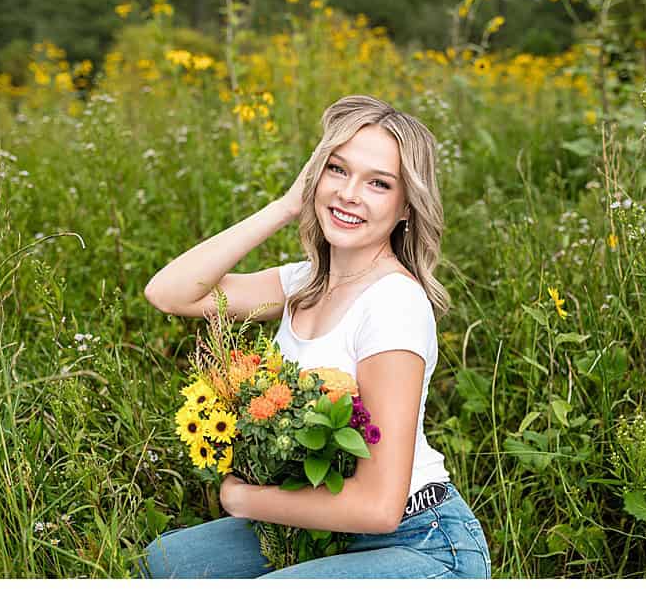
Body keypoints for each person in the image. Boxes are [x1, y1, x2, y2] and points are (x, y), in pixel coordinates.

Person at [139, 95, 490, 578]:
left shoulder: (393, 304)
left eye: (379, 183)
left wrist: (245, 498)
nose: (349, 193)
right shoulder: (303, 282)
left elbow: (378, 507)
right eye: (337, 170)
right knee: (164, 564)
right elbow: (170, 292)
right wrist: (286, 205)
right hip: (326, 526)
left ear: (407, 206)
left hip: (422, 541)